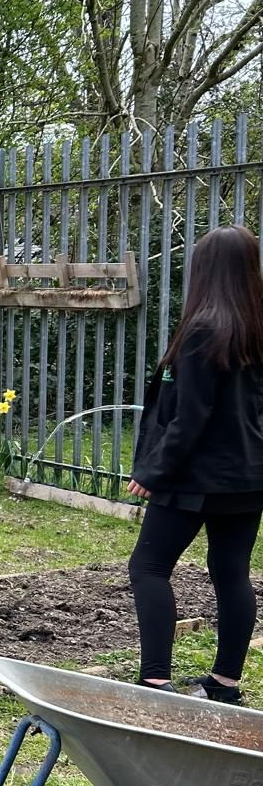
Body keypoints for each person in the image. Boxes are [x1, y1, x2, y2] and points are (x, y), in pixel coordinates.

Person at [127, 225, 263, 702]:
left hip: (194, 478)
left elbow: (191, 417)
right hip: (247, 476)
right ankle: (225, 685)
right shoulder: (256, 328)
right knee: (231, 572)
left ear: (204, 271)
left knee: (149, 566)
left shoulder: (204, 328)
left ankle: (155, 681)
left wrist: (152, 472)